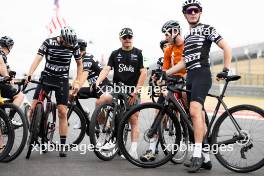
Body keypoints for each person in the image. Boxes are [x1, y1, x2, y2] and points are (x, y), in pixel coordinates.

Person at [166, 0, 232, 172]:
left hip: (202, 74)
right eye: (189, 10)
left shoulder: (207, 29)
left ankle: (196, 155)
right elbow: (184, 62)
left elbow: (226, 46)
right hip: (190, 76)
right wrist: (165, 73)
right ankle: (207, 159)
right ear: (185, 14)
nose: (193, 13)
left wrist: (226, 69)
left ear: (200, 12)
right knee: (199, 117)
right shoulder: (187, 37)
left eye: (196, 10)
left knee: (194, 111)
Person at [25, 26, 83, 157]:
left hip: (62, 81)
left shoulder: (74, 45)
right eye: (67, 42)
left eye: (71, 43)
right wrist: (30, 73)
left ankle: (62, 146)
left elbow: (80, 64)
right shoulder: (48, 42)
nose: (69, 45)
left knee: (62, 112)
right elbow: (38, 58)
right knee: (33, 108)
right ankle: (34, 131)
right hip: (46, 78)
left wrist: (77, 82)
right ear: (61, 37)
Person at [96, 27, 147, 159]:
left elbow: (143, 73)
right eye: (124, 37)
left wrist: (136, 91)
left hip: (132, 90)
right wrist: (98, 81)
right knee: (100, 101)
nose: (127, 39)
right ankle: (106, 127)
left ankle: (133, 149)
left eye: (129, 37)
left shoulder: (139, 53)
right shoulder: (115, 53)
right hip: (117, 88)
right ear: (120, 39)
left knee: (134, 118)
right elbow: (106, 69)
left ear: (132, 38)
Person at [140, 21, 187, 162]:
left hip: (186, 82)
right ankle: (152, 149)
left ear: (175, 32)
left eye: (167, 34)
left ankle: (201, 149)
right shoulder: (168, 50)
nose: (165, 38)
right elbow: (165, 73)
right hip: (171, 84)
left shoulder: (187, 45)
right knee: (159, 114)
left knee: (193, 113)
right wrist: (160, 84)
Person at [71, 39, 111, 129]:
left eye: (74, 51)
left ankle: (103, 128)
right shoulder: (81, 60)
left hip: (103, 86)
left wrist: (76, 88)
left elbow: (84, 76)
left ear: (78, 50)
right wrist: (72, 88)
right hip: (94, 87)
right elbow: (78, 77)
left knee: (99, 103)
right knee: (69, 94)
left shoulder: (87, 58)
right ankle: (84, 113)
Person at [0, 36, 24, 149]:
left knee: (0, 115)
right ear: (9, 46)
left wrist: (10, 75)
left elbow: (7, 68)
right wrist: (7, 77)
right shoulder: (1, 54)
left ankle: (1, 148)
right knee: (19, 95)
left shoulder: (4, 56)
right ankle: (9, 119)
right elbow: (2, 66)